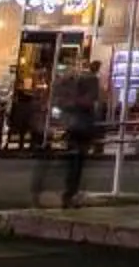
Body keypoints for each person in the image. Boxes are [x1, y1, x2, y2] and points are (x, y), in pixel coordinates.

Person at [44, 59, 105, 207]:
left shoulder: (74, 86)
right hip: (81, 126)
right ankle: (71, 191)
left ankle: (70, 190)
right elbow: (93, 102)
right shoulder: (90, 82)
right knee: (77, 160)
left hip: (74, 125)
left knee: (74, 158)